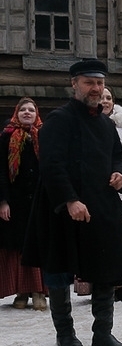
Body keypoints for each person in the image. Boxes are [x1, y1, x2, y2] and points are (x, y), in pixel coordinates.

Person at [22, 59, 122, 346]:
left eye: (99, 83)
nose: (96, 88)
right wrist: (70, 200)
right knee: (59, 269)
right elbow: (52, 165)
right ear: (74, 84)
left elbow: (117, 156)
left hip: (101, 204)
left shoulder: (107, 125)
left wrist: (119, 173)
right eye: (89, 83)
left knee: (106, 267)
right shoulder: (58, 120)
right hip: (62, 206)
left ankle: (103, 334)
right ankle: (66, 333)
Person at [74, 88, 122, 301]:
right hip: (93, 190)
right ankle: (94, 284)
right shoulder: (84, 123)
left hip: (121, 190)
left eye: (109, 98)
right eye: (103, 97)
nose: (105, 101)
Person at [0, 97, 47, 310]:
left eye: (31, 110)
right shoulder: (6, 137)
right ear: (16, 114)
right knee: (18, 246)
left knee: (39, 243)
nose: (27, 113)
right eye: (23, 110)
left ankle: (39, 291)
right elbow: (1, 172)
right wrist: (3, 201)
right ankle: (21, 291)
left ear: (37, 114)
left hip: (40, 200)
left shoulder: (44, 137)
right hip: (16, 203)